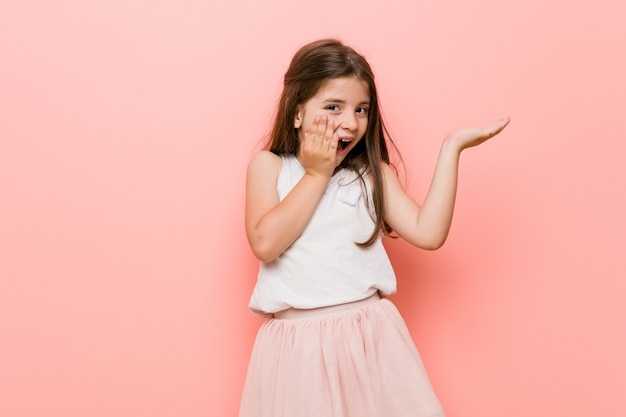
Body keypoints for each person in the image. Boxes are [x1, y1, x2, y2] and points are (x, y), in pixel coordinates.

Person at [239, 38, 509, 417]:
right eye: (334, 107)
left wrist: (451, 148)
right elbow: (265, 243)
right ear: (296, 112)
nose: (351, 122)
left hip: (371, 339)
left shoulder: (370, 175)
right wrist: (318, 172)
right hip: (296, 349)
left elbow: (428, 233)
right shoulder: (270, 168)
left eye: (361, 109)